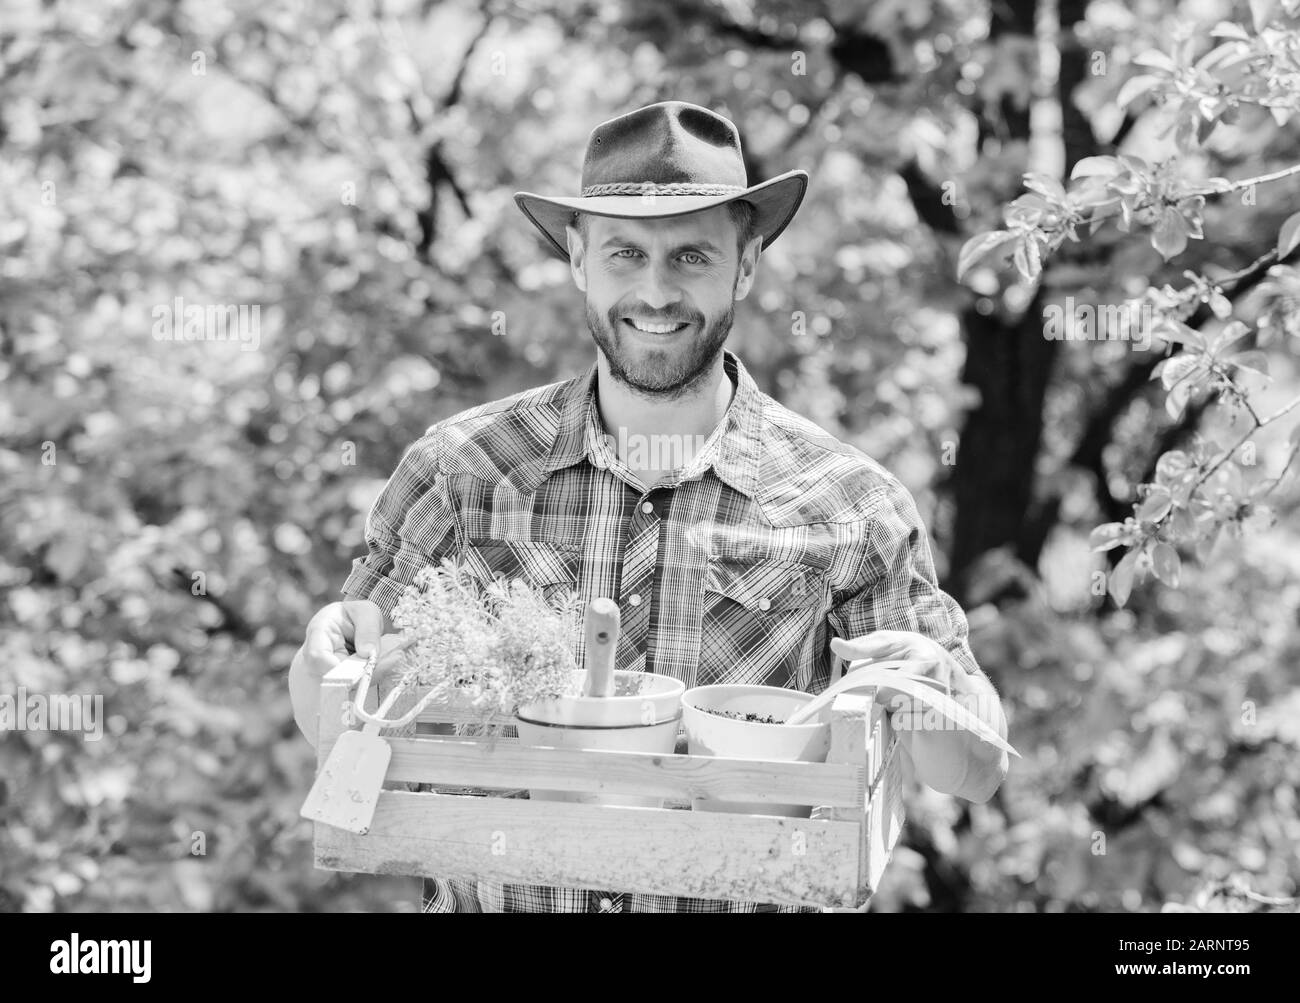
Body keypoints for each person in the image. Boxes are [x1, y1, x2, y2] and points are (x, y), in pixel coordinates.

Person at [288, 101, 1009, 912]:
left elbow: (978, 771)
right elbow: (336, 712)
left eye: (693, 256)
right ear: (577, 259)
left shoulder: (850, 505)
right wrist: (322, 657)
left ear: (746, 265)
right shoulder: (464, 470)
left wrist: (930, 687)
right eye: (626, 253)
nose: (657, 292)